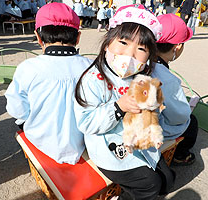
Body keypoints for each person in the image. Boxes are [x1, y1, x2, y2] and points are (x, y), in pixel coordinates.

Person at [74, 4, 175, 199]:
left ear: (149, 57)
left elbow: (153, 115)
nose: (130, 54)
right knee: (149, 185)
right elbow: (86, 122)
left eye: (140, 48)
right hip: (108, 148)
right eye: (123, 42)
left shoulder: (141, 76)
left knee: (167, 180)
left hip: (137, 142)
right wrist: (119, 107)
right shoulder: (93, 79)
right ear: (107, 44)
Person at [5, 2, 93, 165]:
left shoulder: (28, 68)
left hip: (41, 141)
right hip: (84, 142)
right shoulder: (92, 66)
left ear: (38, 38)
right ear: (78, 37)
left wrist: (25, 122)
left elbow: (16, 107)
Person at [155, 13, 198, 165]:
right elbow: (179, 116)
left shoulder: (142, 61)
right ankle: (180, 155)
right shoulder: (168, 79)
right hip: (154, 129)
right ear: (177, 46)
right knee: (192, 122)